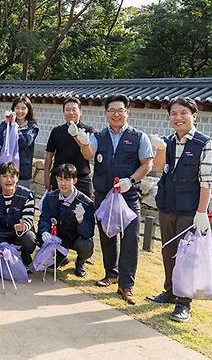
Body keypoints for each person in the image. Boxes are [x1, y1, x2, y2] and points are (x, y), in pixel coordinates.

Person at [147, 97, 212, 323]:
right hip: (168, 205)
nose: (178, 118)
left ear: (194, 115)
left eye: (183, 113)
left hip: (190, 210)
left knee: (186, 256)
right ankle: (169, 290)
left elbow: (206, 182)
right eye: (173, 114)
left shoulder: (205, 144)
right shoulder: (168, 142)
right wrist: (159, 148)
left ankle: (183, 302)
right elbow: (159, 168)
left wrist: (201, 213)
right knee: (168, 251)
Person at [81, 94, 153, 304]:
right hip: (104, 194)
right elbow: (88, 153)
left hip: (128, 195)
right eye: (111, 110)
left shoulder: (139, 137)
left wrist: (131, 180)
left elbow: (147, 164)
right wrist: (82, 140)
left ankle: (126, 284)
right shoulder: (99, 136)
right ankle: (110, 273)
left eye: (120, 110)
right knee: (106, 235)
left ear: (127, 113)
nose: (116, 114)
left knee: (130, 238)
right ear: (105, 114)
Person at [37, 163, 95, 277]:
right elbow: (44, 219)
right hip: (57, 236)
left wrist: (81, 220)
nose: (63, 183)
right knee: (38, 236)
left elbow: (88, 233)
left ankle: (80, 263)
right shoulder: (50, 197)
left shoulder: (86, 203)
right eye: (60, 179)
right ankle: (60, 256)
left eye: (68, 179)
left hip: (75, 238)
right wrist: (44, 231)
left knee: (86, 245)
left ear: (75, 180)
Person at [0, 162, 36, 268]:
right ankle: (0, 256)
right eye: (5, 176)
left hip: (18, 236)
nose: (9, 180)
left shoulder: (27, 195)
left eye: (12, 176)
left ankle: (24, 255)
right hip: (0, 234)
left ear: (17, 177)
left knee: (30, 239)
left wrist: (23, 227)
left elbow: (29, 218)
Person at [44, 97, 94, 196]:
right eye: (67, 110)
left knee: (83, 209)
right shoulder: (56, 131)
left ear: (80, 112)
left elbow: (90, 154)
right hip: (59, 178)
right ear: (63, 112)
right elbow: (49, 154)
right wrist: (46, 176)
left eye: (74, 109)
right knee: (58, 209)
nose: (71, 113)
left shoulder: (88, 130)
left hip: (81, 178)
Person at [0, 96, 39, 189]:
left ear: (28, 110)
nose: (20, 111)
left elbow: (24, 143)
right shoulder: (6, 123)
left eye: (23, 108)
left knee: (20, 199)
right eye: (17, 108)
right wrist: (8, 125)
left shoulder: (32, 127)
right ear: (13, 109)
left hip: (22, 170)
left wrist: (14, 126)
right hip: (3, 167)